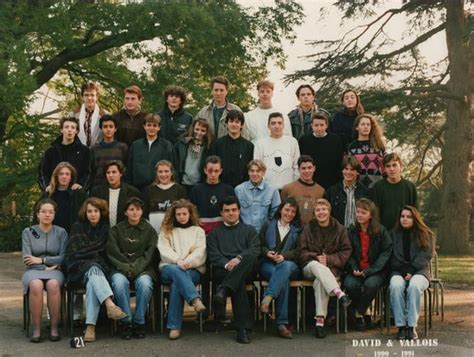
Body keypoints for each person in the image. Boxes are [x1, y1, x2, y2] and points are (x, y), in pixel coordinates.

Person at [65, 198, 127, 342]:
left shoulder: (106, 229)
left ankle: (90, 327)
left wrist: (92, 258)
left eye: (96, 211)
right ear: (85, 213)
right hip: (78, 268)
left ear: (101, 212)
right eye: (89, 211)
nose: (92, 214)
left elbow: (107, 252)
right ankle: (109, 304)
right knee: (93, 268)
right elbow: (73, 253)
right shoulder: (77, 227)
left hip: (99, 268)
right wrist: (92, 257)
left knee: (92, 281)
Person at [207, 196, 260, 344]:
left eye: (234, 210)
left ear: (239, 211)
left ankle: (223, 290)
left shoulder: (249, 230)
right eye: (227, 211)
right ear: (221, 213)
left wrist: (238, 259)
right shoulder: (214, 234)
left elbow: (255, 250)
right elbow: (213, 256)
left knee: (250, 258)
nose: (231, 213)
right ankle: (243, 330)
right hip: (224, 271)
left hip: (246, 268)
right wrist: (227, 264)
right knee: (238, 283)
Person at [299, 198, 352, 338]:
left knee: (320, 282)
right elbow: (301, 251)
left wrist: (328, 259)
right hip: (309, 267)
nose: (321, 212)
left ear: (329, 211)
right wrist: (317, 257)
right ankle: (339, 293)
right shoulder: (308, 228)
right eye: (318, 210)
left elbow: (346, 251)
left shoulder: (340, 229)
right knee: (317, 266)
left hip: (331, 269)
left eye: (324, 209)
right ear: (314, 213)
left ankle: (320, 322)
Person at [107, 197, 158, 340]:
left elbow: (150, 253)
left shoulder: (149, 230)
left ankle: (139, 321)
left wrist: (136, 267)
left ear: (142, 211)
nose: (135, 213)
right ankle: (126, 321)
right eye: (131, 209)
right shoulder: (116, 230)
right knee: (118, 283)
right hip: (120, 268)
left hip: (143, 269)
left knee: (145, 284)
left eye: (138, 209)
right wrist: (126, 267)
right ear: (125, 212)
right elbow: (112, 253)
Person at [157, 199, 207, 340]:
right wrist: (178, 261)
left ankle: (174, 327)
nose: (182, 217)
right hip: (169, 267)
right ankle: (194, 299)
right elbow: (164, 250)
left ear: (190, 214)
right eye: (178, 214)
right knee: (176, 272)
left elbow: (200, 251)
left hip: (192, 269)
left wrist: (187, 262)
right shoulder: (166, 231)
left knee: (177, 284)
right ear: (174, 215)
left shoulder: (198, 231)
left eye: (185, 213)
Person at [22, 199, 68, 342]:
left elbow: (64, 257)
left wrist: (42, 260)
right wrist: (45, 266)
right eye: (43, 211)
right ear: (37, 214)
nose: (47, 215)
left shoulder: (61, 232)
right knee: (36, 284)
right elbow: (27, 259)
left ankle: (54, 328)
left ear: (54, 215)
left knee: (53, 284)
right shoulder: (28, 232)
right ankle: (37, 329)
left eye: (50, 212)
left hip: (55, 271)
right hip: (32, 271)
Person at [344, 198, 392, 331]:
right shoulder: (351, 231)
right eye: (358, 212)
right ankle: (366, 313)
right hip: (355, 270)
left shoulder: (380, 231)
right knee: (350, 285)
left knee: (370, 285)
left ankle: (357, 312)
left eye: (363, 212)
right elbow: (348, 252)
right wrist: (353, 268)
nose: (359, 215)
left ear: (371, 215)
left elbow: (386, 253)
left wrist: (369, 271)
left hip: (375, 271)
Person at [259, 197, 302, 339]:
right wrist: (267, 252)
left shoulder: (297, 230)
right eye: (287, 210)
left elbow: (299, 251)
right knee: (282, 279)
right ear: (281, 209)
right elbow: (258, 245)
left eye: (293, 212)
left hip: (290, 265)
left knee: (285, 267)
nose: (289, 214)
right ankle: (281, 324)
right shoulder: (268, 225)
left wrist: (284, 256)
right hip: (268, 264)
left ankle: (268, 297)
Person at [389, 206, 434, 340]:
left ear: (415, 219)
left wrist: (412, 270)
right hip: (398, 271)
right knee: (396, 286)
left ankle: (411, 325)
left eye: (408, 217)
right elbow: (390, 256)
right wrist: (404, 272)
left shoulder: (426, 234)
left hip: (419, 271)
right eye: (402, 216)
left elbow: (426, 255)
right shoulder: (392, 234)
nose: (405, 219)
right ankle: (401, 326)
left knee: (414, 286)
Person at [37, 116, 91, 192]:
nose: (69, 130)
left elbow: (88, 172)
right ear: (61, 130)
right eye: (66, 127)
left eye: (73, 127)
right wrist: (47, 186)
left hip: (75, 194)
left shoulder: (84, 151)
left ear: (76, 131)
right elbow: (43, 172)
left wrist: (81, 186)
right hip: (54, 193)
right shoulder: (51, 151)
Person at [126, 113, 175, 192]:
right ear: (144, 126)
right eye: (149, 125)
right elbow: (130, 168)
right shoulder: (136, 145)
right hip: (137, 188)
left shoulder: (166, 145)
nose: (151, 128)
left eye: (155, 126)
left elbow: (172, 167)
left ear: (159, 127)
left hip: (159, 188)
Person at [189, 155, 234, 235]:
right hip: (201, 233)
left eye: (216, 171)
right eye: (210, 171)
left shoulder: (228, 190)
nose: (213, 174)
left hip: (223, 233)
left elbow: (233, 214)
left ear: (221, 171)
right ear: (205, 170)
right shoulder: (196, 190)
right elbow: (192, 214)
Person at [37, 162, 88, 233]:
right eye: (61, 174)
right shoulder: (47, 195)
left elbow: (86, 215)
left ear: (71, 177)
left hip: (73, 235)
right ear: (56, 176)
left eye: (67, 174)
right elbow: (37, 216)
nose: (64, 177)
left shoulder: (79, 194)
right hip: (51, 235)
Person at [254, 112, 300, 190]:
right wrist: (265, 187)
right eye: (273, 123)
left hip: (289, 189)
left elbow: (297, 166)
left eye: (279, 123)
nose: (277, 126)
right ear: (268, 126)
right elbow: (258, 168)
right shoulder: (260, 143)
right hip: (268, 189)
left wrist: (293, 186)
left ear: (283, 125)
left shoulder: (292, 142)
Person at [372, 153, 418, 230]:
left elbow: (415, 213)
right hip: (384, 233)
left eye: (394, 165)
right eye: (388, 166)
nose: (391, 169)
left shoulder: (410, 187)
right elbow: (375, 213)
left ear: (400, 166)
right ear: (384, 169)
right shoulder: (378, 187)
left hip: (405, 232)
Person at [299, 112, 344, 189]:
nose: (319, 128)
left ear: (326, 125)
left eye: (322, 125)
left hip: (332, 181)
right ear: (311, 126)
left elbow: (339, 161)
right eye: (316, 125)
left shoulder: (335, 140)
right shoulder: (304, 141)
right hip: (311, 181)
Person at [235, 159, 280, 233]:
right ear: (248, 172)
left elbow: (275, 214)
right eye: (252, 171)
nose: (255, 174)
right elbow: (236, 214)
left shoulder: (272, 190)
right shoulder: (239, 190)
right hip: (244, 233)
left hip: (264, 233)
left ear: (263, 172)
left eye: (258, 171)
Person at [90, 160, 140, 227]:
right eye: (108, 173)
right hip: (103, 232)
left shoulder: (132, 192)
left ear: (121, 174)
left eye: (114, 172)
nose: (111, 175)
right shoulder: (96, 192)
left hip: (125, 232)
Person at [211, 110, 254, 187]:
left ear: (241, 125)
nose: (234, 124)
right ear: (226, 124)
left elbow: (250, 169)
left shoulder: (249, 146)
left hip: (242, 188)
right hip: (221, 186)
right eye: (231, 121)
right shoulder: (217, 144)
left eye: (237, 122)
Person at [324, 156, 371, 227]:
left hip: (358, 233)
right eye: (346, 169)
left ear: (357, 172)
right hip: (338, 234)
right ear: (342, 170)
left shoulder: (365, 192)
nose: (348, 172)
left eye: (352, 169)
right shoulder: (332, 191)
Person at [143, 160, 187, 233]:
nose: (163, 174)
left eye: (166, 171)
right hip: (153, 232)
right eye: (160, 172)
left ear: (172, 172)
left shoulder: (180, 190)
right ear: (156, 173)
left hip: (174, 231)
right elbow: (144, 213)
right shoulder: (148, 190)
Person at [281, 155, 325, 224]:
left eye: (309, 168)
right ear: (298, 169)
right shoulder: (287, 189)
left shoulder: (321, 191)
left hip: (312, 231)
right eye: (303, 168)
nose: (307, 171)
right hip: (293, 230)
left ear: (314, 168)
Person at [346, 113, 386, 188]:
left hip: (378, 188)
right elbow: (348, 169)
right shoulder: (351, 147)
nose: (366, 127)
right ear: (357, 127)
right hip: (357, 189)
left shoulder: (379, 146)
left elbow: (386, 168)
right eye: (363, 124)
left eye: (368, 124)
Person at [90, 114, 128, 189]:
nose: (108, 129)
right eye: (105, 127)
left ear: (115, 129)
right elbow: (91, 171)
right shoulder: (95, 148)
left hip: (118, 187)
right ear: (101, 129)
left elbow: (126, 169)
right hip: (99, 187)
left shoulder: (122, 147)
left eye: (111, 126)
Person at [175, 118, 214, 190]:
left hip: (200, 185)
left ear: (206, 132)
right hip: (182, 184)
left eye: (203, 131)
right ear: (192, 129)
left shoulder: (209, 147)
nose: (199, 133)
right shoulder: (182, 143)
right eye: (197, 129)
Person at [70, 82, 107, 147]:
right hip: (77, 153)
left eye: (92, 95)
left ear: (97, 97)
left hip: (98, 153)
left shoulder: (105, 115)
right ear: (82, 97)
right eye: (86, 95)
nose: (89, 98)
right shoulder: (73, 115)